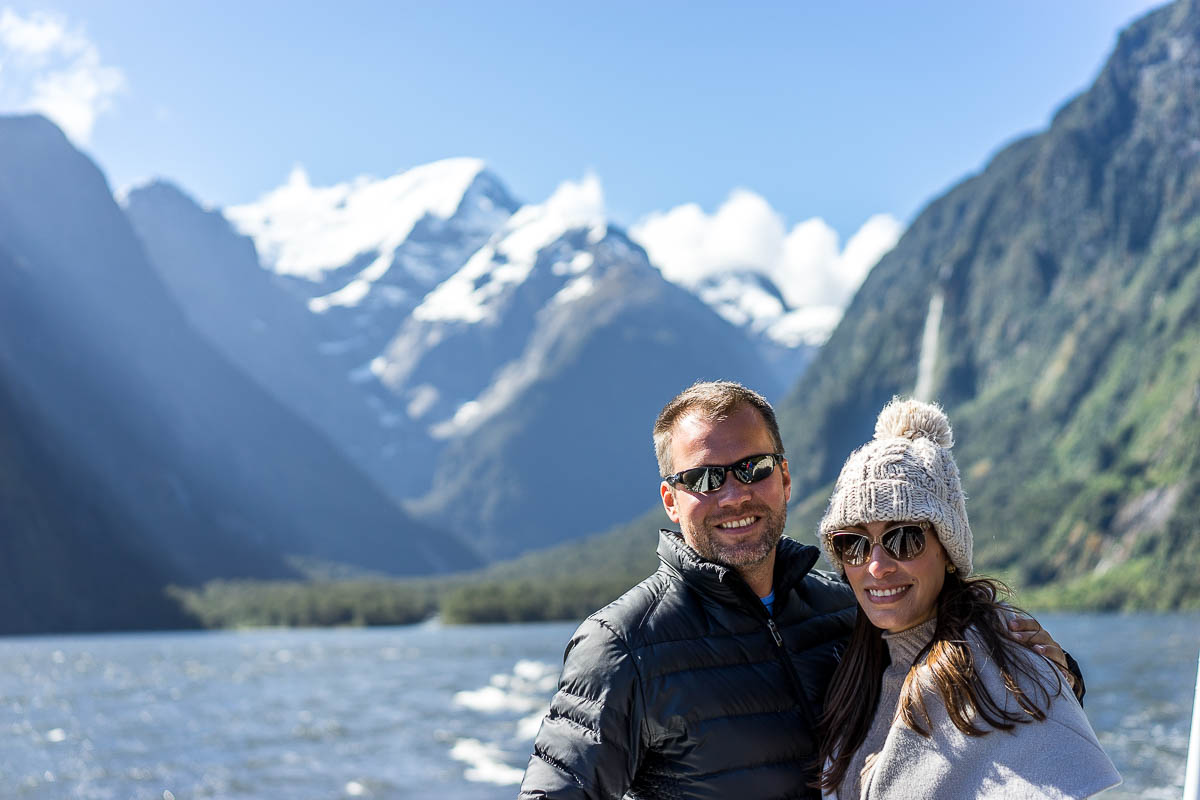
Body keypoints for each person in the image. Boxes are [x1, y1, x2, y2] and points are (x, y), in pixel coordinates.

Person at [518, 381, 1080, 800]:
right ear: (671, 500)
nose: (734, 495)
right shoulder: (625, 645)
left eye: (753, 468)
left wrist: (1056, 671)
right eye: (705, 478)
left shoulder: (847, 610)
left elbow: (958, 668)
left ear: (785, 479)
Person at [815, 397, 1119, 799]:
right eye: (852, 544)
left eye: (903, 538)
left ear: (947, 548)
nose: (876, 566)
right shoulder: (856, 664)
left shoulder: (1005, 661)